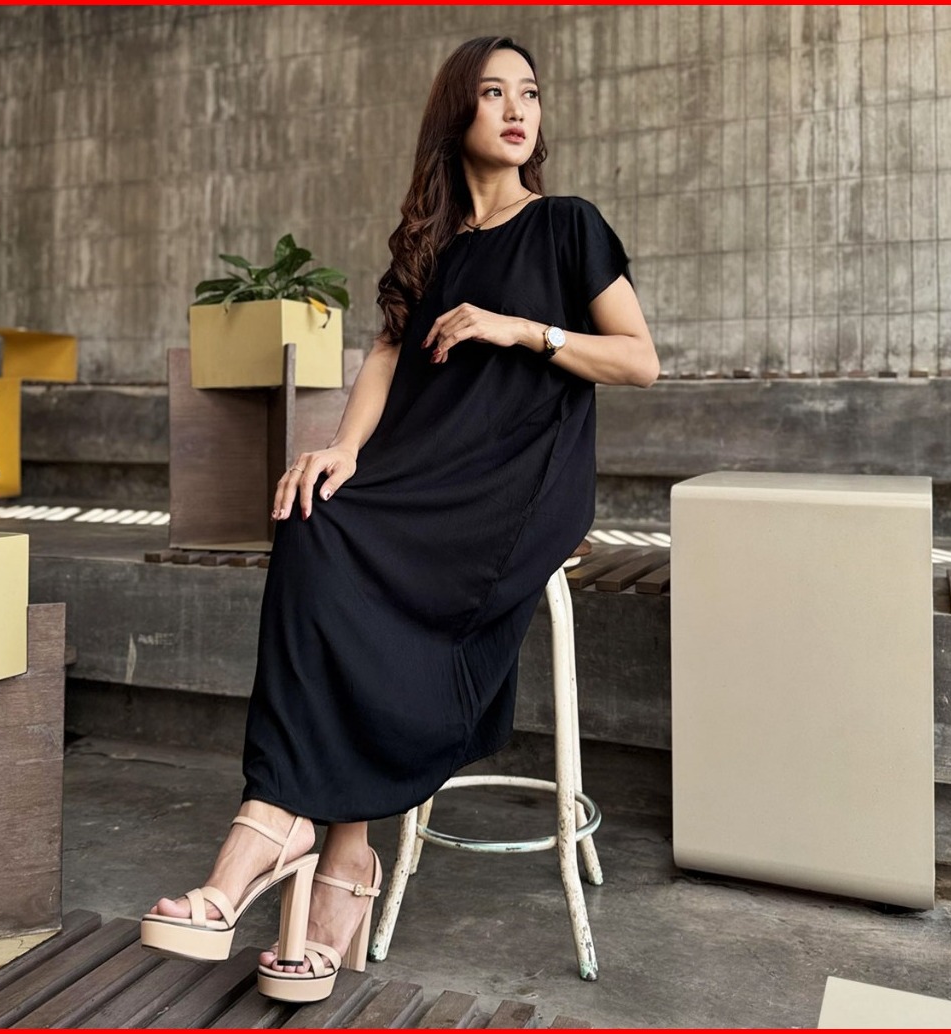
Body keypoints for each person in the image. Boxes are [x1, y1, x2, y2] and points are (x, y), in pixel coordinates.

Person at [140, 35, 658, 1003]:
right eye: (493, 92)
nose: (518, 108)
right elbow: (383, 357)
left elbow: (639, 359)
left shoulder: (568, 225)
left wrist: (520, 329)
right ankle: (337, 850)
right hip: (421, 466)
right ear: (457, 113)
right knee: (313, 513)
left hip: (518, 482)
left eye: (529, 93)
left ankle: (272, 836)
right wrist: (341, 448)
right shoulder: (430, 243)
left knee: (347, 550)